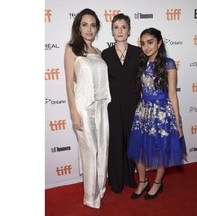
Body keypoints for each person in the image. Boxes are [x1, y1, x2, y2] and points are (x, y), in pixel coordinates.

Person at [127, 27, 187, 200]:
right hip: (143, 112)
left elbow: (173, 95)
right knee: (138, 149)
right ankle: (142, 181)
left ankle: (158, 183)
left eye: (150, 42)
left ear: (159, 42)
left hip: (162, 113)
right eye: (143, 43)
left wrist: (178, 123)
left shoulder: (168, 63)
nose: (146, 47)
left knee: (162, 151)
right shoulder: (141, 63)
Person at [64, 8, 111, 209]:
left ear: (97, 28)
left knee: (102, 150)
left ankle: (100, 188)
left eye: (93, 25)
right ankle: (91, 198)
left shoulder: (99, 53)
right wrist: (74, 112)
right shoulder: (71, 49)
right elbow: (69, 84)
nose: (89, 29)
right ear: (79, 27)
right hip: (83, 108)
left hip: (101, 107)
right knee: (90, 151)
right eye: (85, 24)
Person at [101, 13, 142, 194]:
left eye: (123, 27)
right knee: (116, 140)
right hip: (113, 103)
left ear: (129, 30)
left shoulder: (138, 52)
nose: (120, 31)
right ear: (112, 31)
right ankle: (116, 180)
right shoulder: (106, 53)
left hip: (133, 101)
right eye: (116, 27)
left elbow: (144, 78)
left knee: (131, 140)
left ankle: (129, 177)